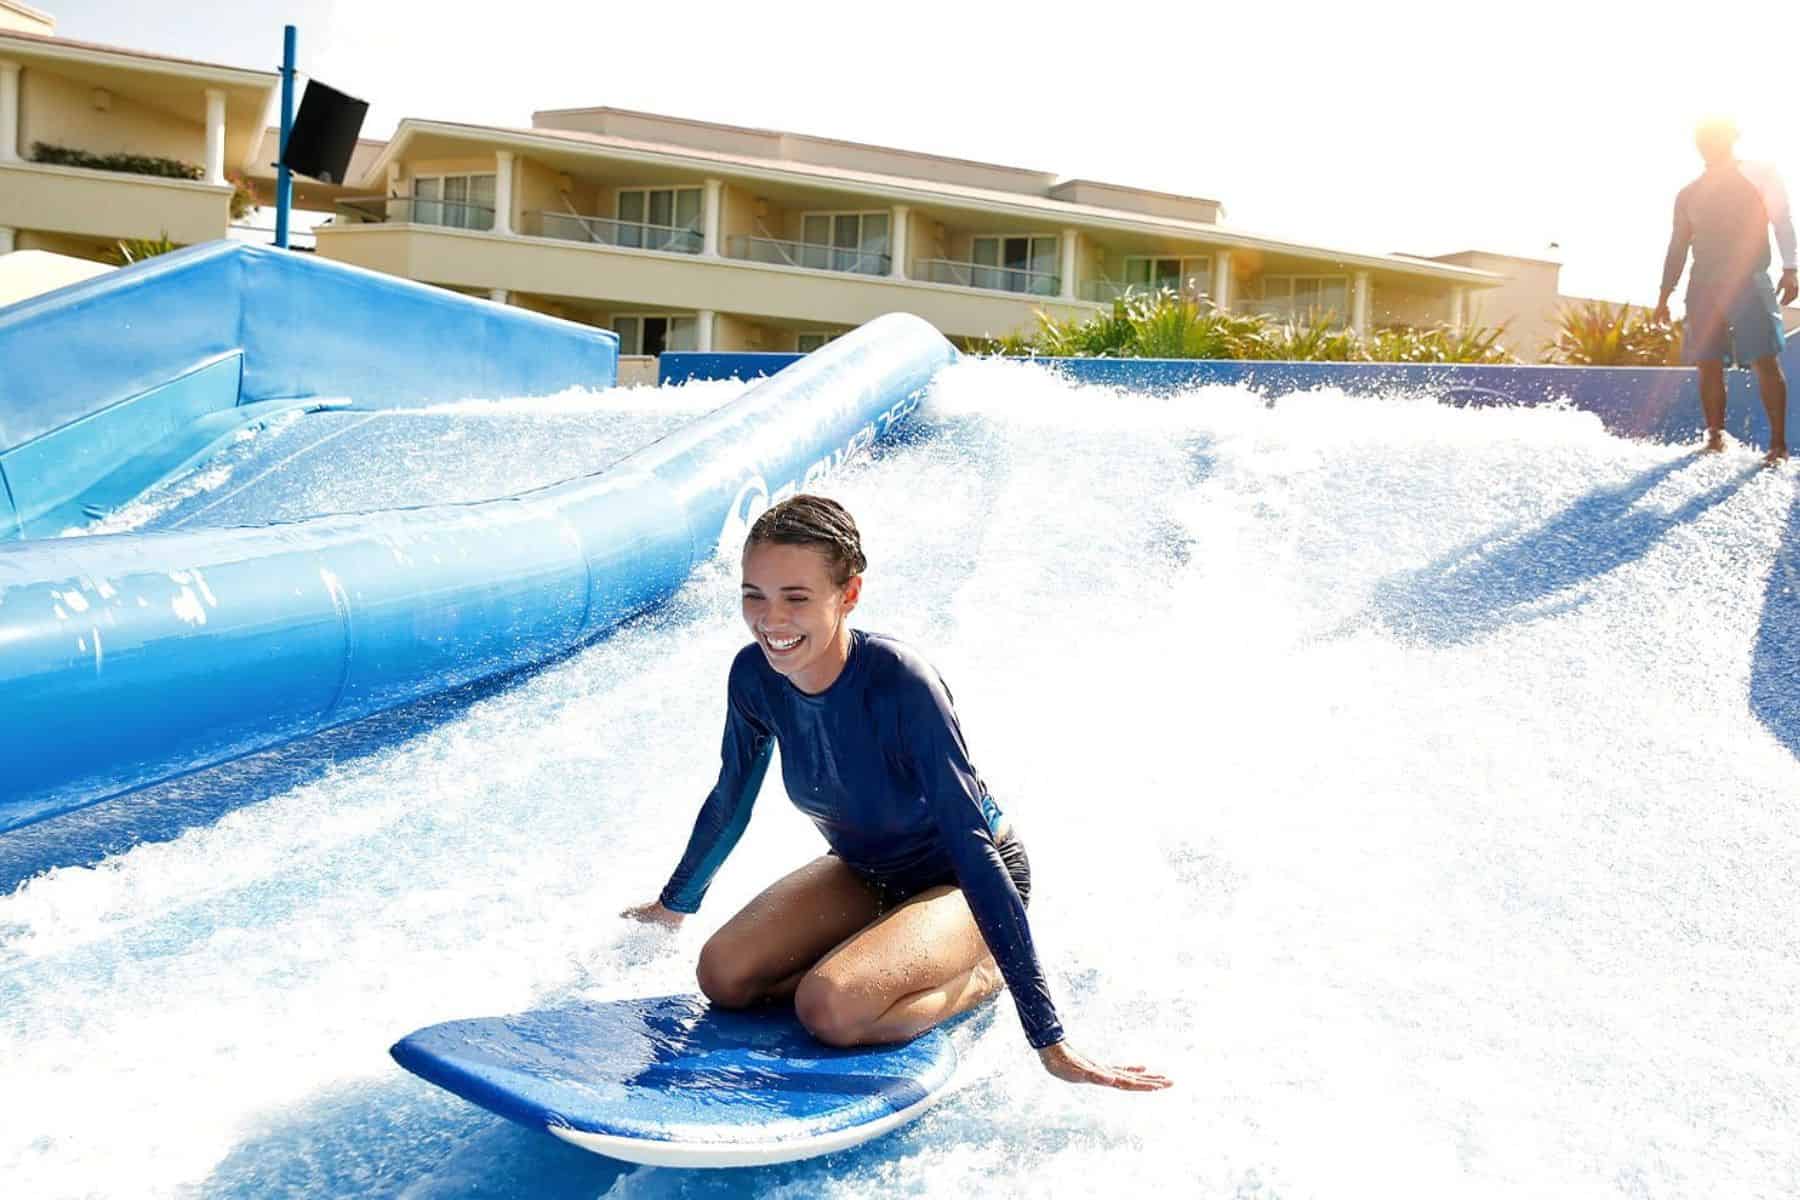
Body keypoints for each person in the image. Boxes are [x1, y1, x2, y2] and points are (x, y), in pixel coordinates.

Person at [622, 494, 1171, 1092]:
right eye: (754, 595)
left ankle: (980, 972)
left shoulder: (901, 683)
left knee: (828, 1010)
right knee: (723, 975)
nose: (771, 620)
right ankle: (881, 955)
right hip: (866, 872)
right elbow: (731, 797)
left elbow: (973, 846)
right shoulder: (754, 676)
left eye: (796, 598)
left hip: (964, 881)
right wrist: (673, 905)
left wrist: (1049, 1037)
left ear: (848, 595)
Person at [1654, 117, 1798, 466]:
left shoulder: (1760, 174)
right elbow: (1677, 247)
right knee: (1708, 362)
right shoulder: (1689, 193)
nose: (1709, 144)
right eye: (1703, 139)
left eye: (1716, 137)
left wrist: (1790, 268)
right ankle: (1715, 435)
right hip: (1703, 284)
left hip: (1749, 279)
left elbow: (1782, 220)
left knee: (1764, 358)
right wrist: (1663, 296)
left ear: (1733, 138)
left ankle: (1777, 445)